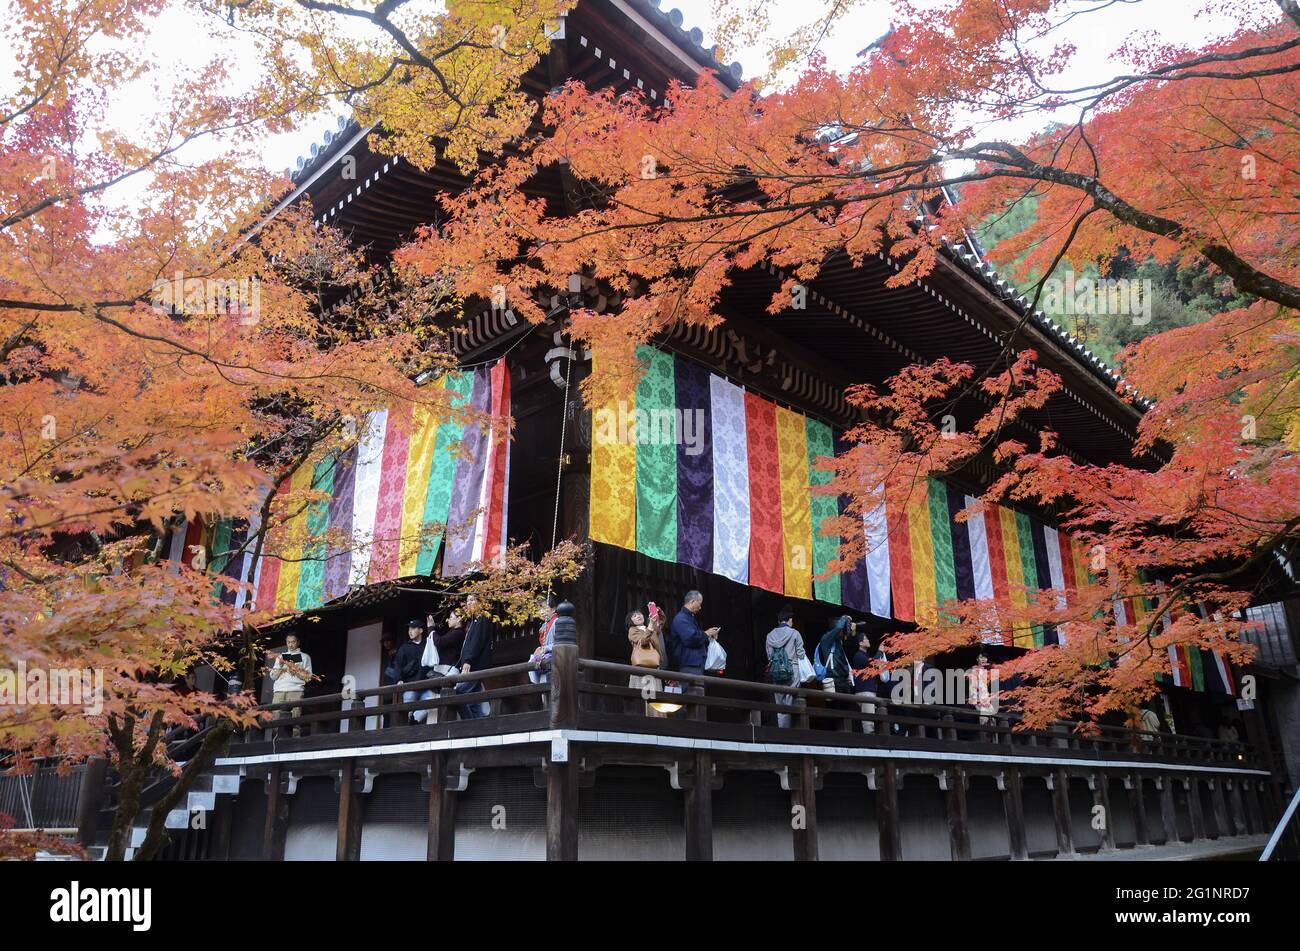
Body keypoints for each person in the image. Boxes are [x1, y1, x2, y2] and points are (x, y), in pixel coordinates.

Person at [765, 607, 806, 728]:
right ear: (789, 620)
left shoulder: (770, 635)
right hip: (792, 670)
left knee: (780, 703)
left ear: (779, 621)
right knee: (791, 700)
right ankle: (793, 731)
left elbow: (769, 656)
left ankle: (782, 731)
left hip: (776, 671)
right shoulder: (794, 633)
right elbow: (801, 654)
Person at [456, 595, 495, 719]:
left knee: (459, 692)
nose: (469, 603)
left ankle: (469, 722)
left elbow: (477, 642)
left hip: (475, 665)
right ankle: (478, 725)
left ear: (480, 602)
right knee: (474, 700)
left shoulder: (482, 618)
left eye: (472, 600)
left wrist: (468, 660)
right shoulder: (474, 620)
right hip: (473, 664)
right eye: (467, 601)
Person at [627, 604, 669, 717]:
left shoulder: (649, 627)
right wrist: (650, 627)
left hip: (654, 666)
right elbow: (643, 642)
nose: (638, 616)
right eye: (634, 616)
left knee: (656, 696)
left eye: (639, 614)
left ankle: (657, 720)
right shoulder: (632, 630)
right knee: (644, 697)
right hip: (642, 668)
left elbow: (659, 626)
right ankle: (644, 720)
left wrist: (658, 614)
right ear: (631, 621)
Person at [268, 633, 312, 737]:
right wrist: (280, 666)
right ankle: (275, 744)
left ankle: (293, 744)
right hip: (279, 690)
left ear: (298, 642)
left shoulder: (304, 657)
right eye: (288, 642)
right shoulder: (281, 657)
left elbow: (308, 677)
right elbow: (273, 676)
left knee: (294, 719)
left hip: (295, 690)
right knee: (276, 718)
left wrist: (295, 670)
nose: (290, 644)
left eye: (293, 642)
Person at [851, 627, 888, 734]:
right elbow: (872, 664)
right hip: (865, 691)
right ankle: (870, 740)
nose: (868, 640)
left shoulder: (864, 656)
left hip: (866, 690)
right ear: (860, 643)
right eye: (866, 639)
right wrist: (880, 652)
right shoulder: (859, 655)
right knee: (868, 720)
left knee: (868, 717)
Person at [393, 618, 428, 725]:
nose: (410, 631)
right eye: (409, 629)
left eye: (413, 628)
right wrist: (399, 679)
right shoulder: (405, 647)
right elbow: (398, 665)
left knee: (430, 705)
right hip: (410, 685)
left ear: (421, 630)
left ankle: (414, 721)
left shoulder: (427, 645)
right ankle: (404, 737)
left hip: (426, 685)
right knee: (407, 711)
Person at [815, 615, 854, 694]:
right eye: (842, 630)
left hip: (843, 680)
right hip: (833, 680)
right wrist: (845, 618)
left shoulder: (838, 641)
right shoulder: (826, 639)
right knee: (835, 705)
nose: (842, 632)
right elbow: (839, 627)